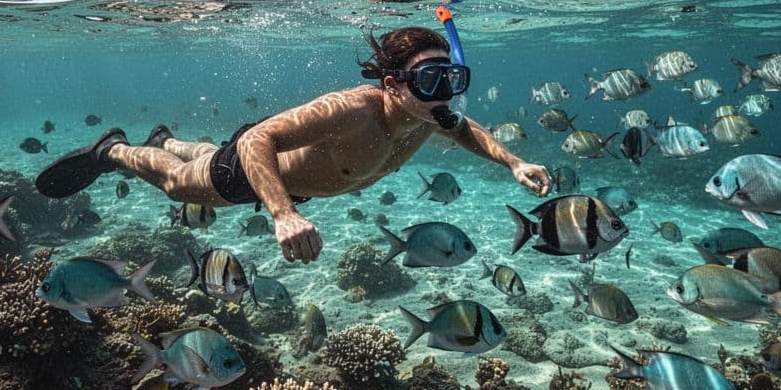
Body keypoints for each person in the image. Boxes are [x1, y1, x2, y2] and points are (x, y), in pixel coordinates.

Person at [34, 26, 551, 263]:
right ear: (392, 85)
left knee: (201, 154)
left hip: (292, 186)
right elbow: (259, 139)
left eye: (452, 79)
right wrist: (281, 213)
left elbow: (467, 129)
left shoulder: (428, 113)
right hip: (259, 171)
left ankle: (168, 139)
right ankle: (116, 150)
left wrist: (513, 161)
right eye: (432, 79)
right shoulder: (354, 110)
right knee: (177, 185)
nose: (446, 94)